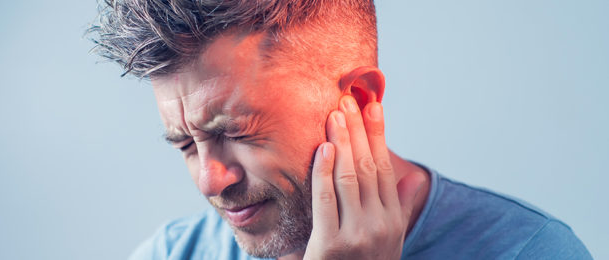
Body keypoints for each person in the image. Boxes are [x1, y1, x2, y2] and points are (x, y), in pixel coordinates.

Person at [88, 0, 592, 259]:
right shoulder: (173, 254)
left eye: (237, 131)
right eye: (184, 143)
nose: (209, 180)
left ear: (359, 99)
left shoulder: (529, 253)